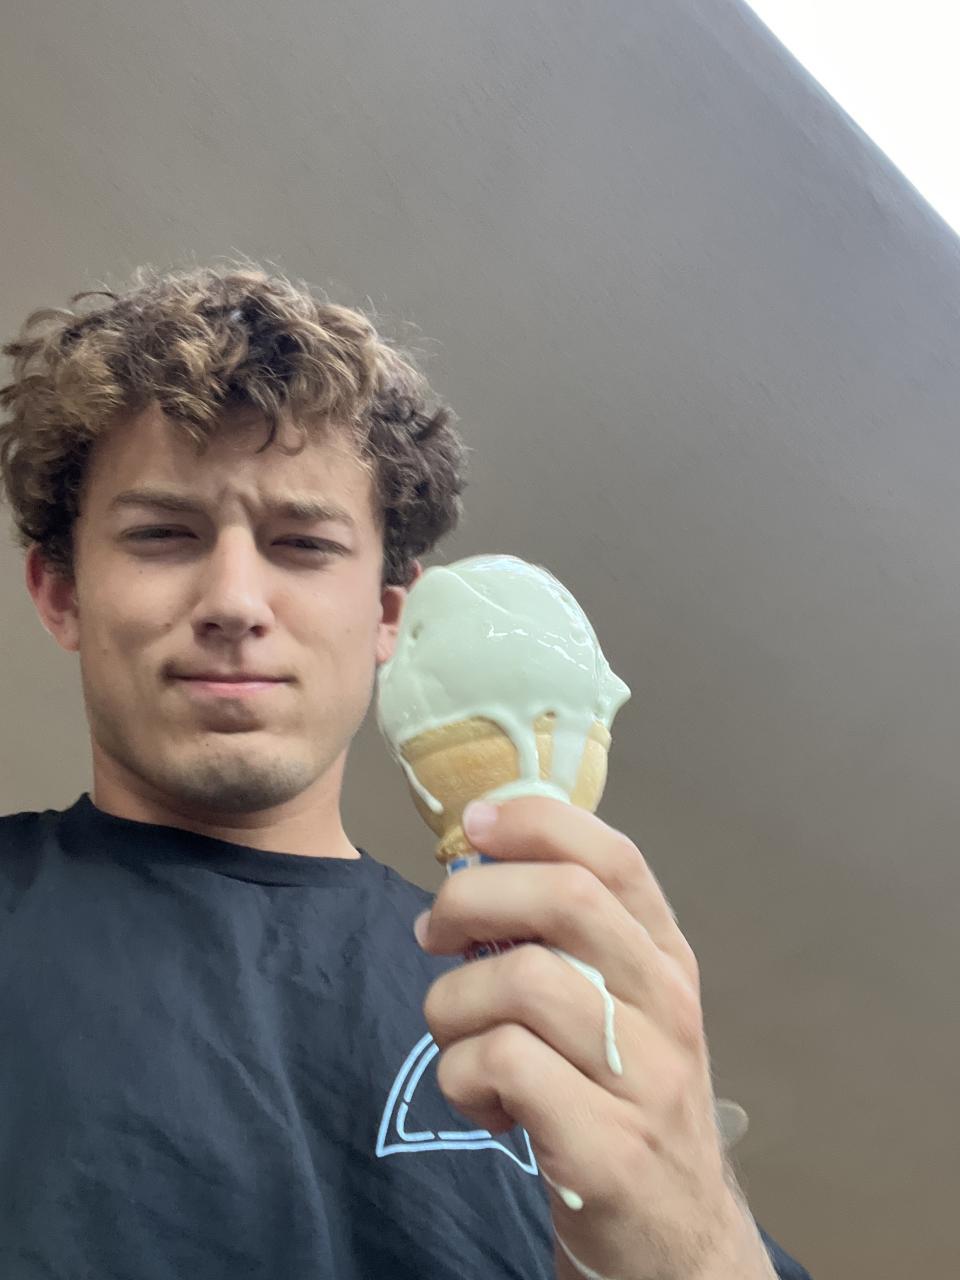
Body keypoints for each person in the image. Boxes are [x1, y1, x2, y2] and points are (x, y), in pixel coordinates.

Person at [0, 264, 812, 1280]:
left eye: (303, 543)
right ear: (60, 593)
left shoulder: (551, 999)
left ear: (391, 617)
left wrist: (696, 1237)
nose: (235, 601)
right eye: (163, 534)